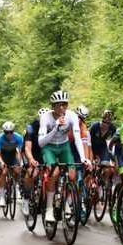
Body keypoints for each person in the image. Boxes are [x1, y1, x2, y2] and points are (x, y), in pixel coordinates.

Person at [38, 90, 91, 222]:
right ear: (53, 106)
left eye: (64, 104)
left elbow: (78, 138)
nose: (62, 107)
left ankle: (67, 202)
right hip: (49, 147)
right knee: (54, 173)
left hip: (64, 146)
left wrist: (84, 158)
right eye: (58, 104)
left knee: (72, 175)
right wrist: (55, 127)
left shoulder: (72, 116)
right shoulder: (46, 117)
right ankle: (49, 209)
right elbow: (41, 142)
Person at [22, 108, 49, 215]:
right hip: (33, 152)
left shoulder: (52, 126)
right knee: (32, 173)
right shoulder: (31, 128)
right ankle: (26, 199)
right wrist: (31, 159)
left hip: (45, 153)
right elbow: (27, 148)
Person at [0, 121, 24, 207]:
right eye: (7, 132)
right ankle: (2, 197)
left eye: (11, 132)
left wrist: (20, 162)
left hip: (13, 156)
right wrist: (1, 162)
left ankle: (17, 188)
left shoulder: (18, 137)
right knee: (3, 172)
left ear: (13, 131)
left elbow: (19, 151)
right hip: (3, 156)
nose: (9, 134)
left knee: (17, 171)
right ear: (4, 132)